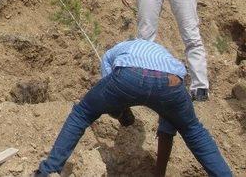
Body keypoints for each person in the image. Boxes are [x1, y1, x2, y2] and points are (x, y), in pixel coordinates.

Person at [32, 39, 233, 177]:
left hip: (131, 74)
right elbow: (166, 131)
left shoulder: (114, 52)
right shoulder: (162, 54)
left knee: (82, 113)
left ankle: (48, 170)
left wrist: (120, 113)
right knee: (193, 131)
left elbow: (110, 91)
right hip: (172, 82)